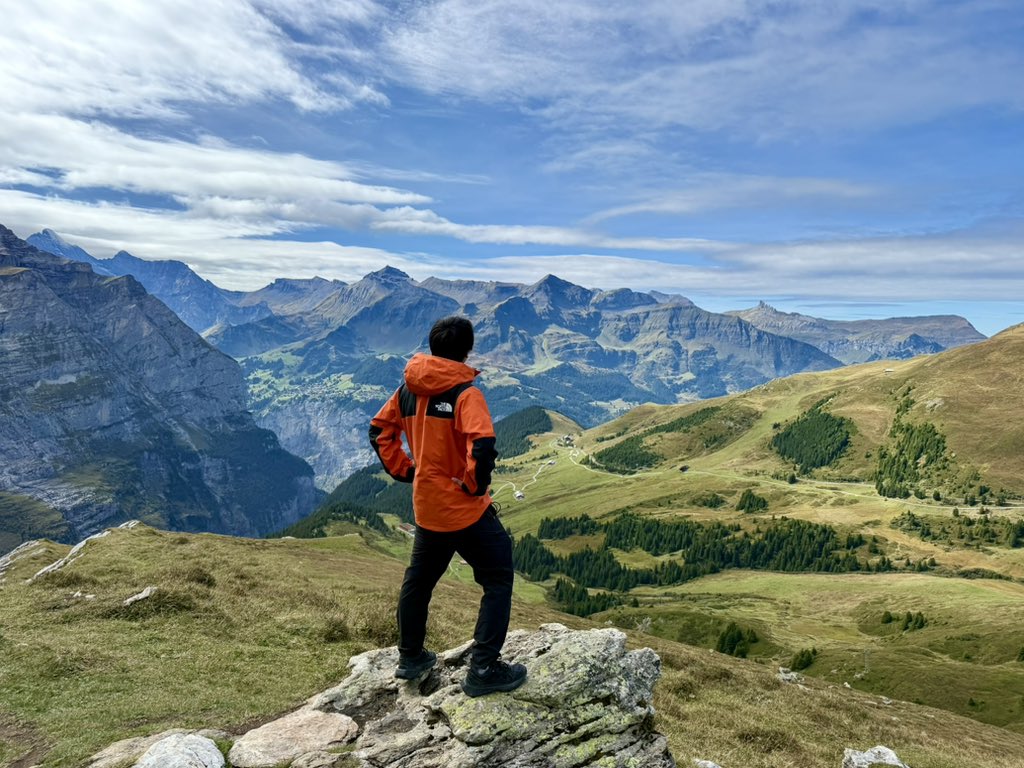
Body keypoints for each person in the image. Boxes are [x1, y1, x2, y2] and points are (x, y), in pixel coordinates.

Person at [368, 316, 527, 697]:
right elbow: (483, 445)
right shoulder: (465, 393)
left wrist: (406, 470)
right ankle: (484, 668)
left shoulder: (407, 390)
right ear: (467, 350)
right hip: (464, 510)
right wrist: (474, 485)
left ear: (433, 345)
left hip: (427, 508)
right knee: (498, 576)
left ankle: (410, 657)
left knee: (419, 582)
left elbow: (379, 431)